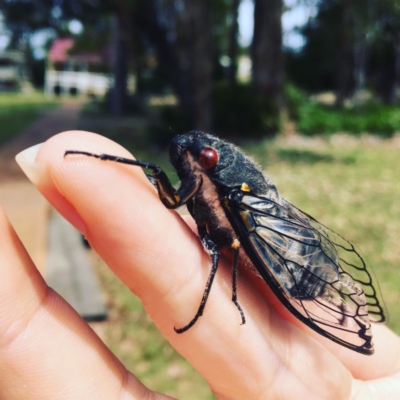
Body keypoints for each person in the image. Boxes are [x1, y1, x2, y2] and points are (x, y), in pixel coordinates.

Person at [0, 130, 397, 399]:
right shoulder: (202, 178)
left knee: (227, 251)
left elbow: (225, 247)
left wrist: (220, 292)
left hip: (286, 257)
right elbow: (174, 199)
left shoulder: (237, 200)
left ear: (212, 165)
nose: (187, 164)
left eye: (202, 158)